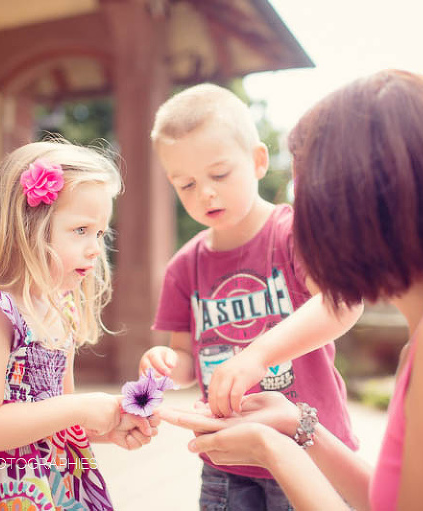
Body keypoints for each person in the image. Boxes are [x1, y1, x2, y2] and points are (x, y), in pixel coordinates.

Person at [159, 69, 423, 510]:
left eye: (304, 196)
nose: (298, 221)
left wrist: (274, 451)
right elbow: (395, 501)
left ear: (354, 201)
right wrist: (299, 427)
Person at [138, 83, 364, 510]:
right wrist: (166, 364)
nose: (205, 192)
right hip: (227, 455)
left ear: (259, 161)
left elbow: (341, 303)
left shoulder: (293, 233)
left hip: (310, 447)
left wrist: (257, 354)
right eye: (185, 184)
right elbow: (186, 358)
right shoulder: (183, 267)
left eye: (219, 175)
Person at [0, 140, 158, 510]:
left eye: (100, 234)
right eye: (80, 230)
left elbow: (54, 414)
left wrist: (107, 427)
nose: (95, 248)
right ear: (27, 227)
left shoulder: (63, 312)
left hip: (49, 485)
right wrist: (79, 408)